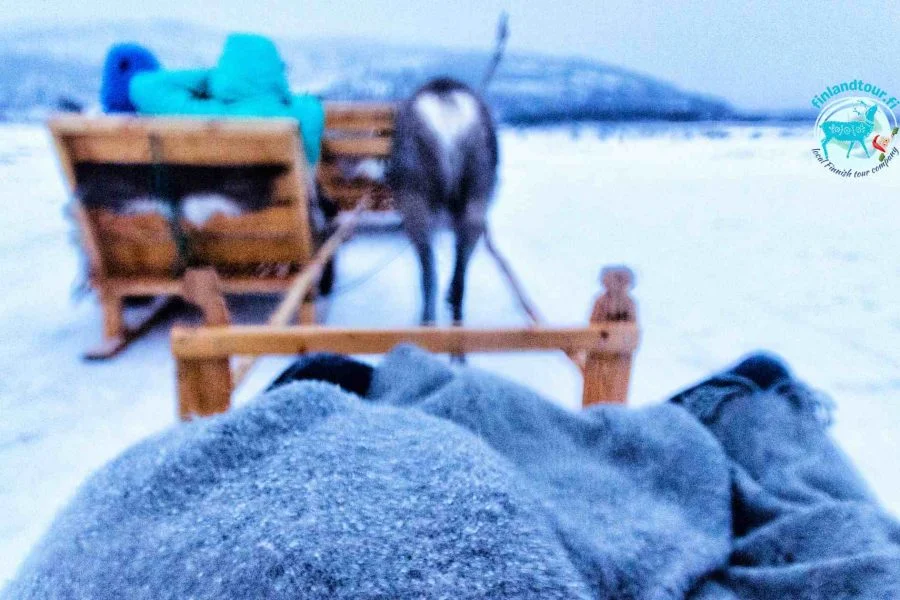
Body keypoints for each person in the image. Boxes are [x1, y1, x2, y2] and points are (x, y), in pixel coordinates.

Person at [128, 33, 325, 166]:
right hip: (281, 209)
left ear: (225, 69)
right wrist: (282, 93)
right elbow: (311, 108)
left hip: (211, 210)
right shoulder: (299, 114)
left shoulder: (204, 114)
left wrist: (212, 79)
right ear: (275, 70)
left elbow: (144, 87)